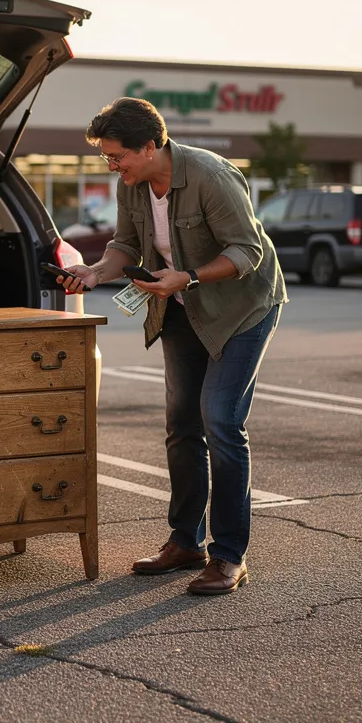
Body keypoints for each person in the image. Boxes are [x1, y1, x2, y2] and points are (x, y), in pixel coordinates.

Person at [59, 97, 287, 596]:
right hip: (180, 306)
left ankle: (229, 556)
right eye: (106, 157)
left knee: (221, 421)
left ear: (150, 145)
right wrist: (96, 272)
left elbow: (246, 250)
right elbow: (126, 245)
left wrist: (189, 276)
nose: (111, 165)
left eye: (116, 155)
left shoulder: (210, 176)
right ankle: (186, 543)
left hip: (241, 310)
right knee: (182, 424)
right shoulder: (133, 184)